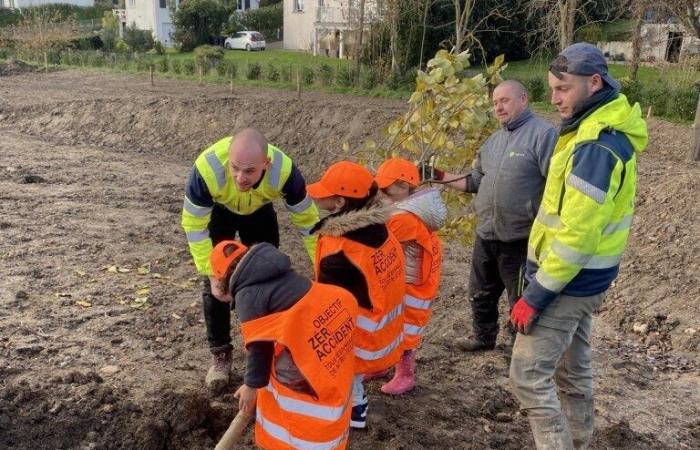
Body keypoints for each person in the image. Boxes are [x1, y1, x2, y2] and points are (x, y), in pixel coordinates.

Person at [509, 43, 648, 449]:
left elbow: (577, 235)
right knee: (572, 370)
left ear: (594, 82)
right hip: (584, 280)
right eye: (552, 89)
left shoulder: (595, 146)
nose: (553, 99)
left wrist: (535, 295)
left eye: (562, 88)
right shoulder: (594, 131)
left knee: (527, 375)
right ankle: (581, 440)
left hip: (569, 283)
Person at [420, 80, 558, 353]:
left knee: (520, 297)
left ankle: (518, 348)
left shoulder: (543, 136)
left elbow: (555, 186)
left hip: (521, 237)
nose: (498, 107)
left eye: (504, 101)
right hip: (487, 232)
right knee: (480, 292)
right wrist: (436, 176)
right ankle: (483, 337)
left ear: (523, 99)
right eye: (495, 103)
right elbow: (473, 182)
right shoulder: (493, 142)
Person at [181, 128, 320, 392]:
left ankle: (273, 348)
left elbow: (308, 221)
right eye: (235, 169)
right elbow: (194, 225)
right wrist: (211, 273)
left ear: (265, 165)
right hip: (220, 211)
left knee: (269, 279)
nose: (240, 177)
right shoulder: (206, 169)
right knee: (218, 284)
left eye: (249, 171)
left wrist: (321, 263)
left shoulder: (284, 171)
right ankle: (220, 354)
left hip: (259, 211)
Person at [209, 240, 358, 450]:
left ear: (221, 278)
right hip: (330, 316)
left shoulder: (247, 295)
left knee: (302, 396)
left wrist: (251, 386)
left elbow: (259, 346)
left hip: (307, 348)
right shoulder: (274, 270)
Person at [307, 161, 406, 429]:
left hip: (361, 335)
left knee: (336, 365)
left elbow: (329, 305)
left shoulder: (339, 249)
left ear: (339, 203)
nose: (317, 197)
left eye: (323, 194)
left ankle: (354, 411)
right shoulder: (380, 229)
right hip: (385, 328)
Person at [372, 158, 446, 395]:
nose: (380, 192)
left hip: (413, 284)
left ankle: (405, 374)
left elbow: (379, 246)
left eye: (386, 188)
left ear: (404, 187)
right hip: (408, 278)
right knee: (390, 324)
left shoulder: (403, 218)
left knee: (406, 329)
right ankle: (382, 364)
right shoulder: (405, 209)